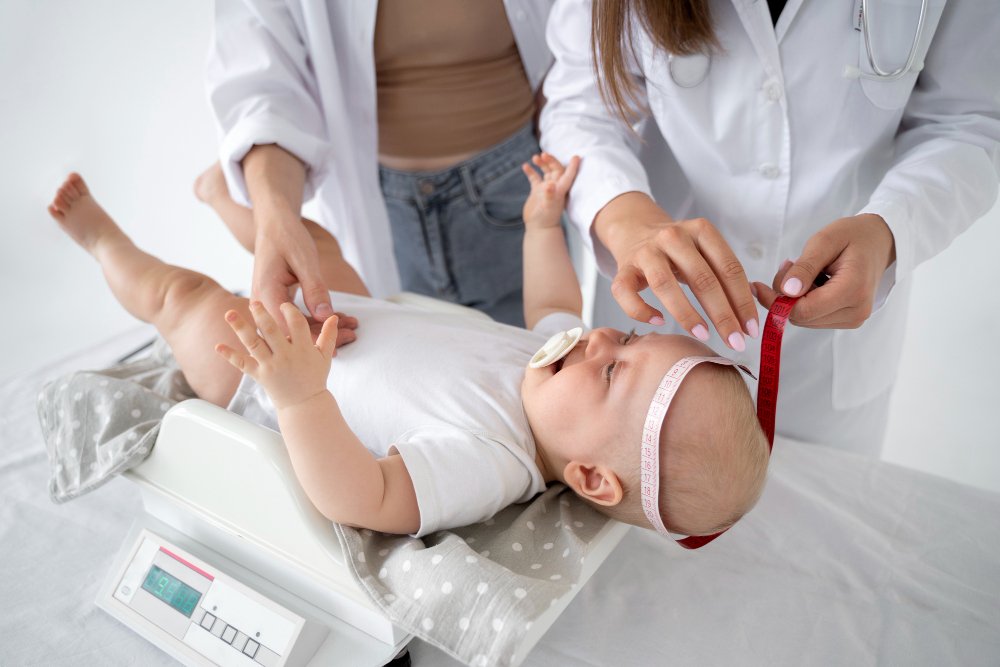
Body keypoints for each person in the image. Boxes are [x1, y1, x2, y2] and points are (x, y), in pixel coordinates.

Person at [46, 159, 768, 538]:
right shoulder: (551, 361)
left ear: (590, 476)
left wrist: (299, 396)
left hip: (265, 372)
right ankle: (224, 195)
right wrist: (543, 227)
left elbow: (366, 496)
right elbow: (554, 301)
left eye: (613, 371)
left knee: (185, 296)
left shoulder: (490, 462)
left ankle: (103, 240)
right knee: (308, 240)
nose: (604, 336)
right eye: (632, 334)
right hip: (351, 308)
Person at [540, 0, 1000, 453]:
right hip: (659, 307)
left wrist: (891, 228)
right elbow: (580, 106)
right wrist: (627, 220)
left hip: (823, 371)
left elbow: (970, 120)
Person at [206, 0, 557, 327]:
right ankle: (224, 195)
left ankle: (222, 195)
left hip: (509, 179)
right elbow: (261, 88)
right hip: (380, 193)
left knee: (327, 266)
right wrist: (273, 215)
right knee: (321, 262)